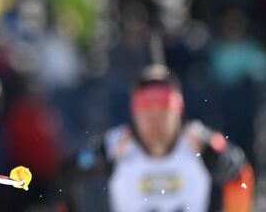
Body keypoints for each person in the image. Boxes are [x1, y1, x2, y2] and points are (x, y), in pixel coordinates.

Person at [70, 64, 255, 212]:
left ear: (177, 114)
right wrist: (103, 161)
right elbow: (68, 173)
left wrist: (217, 155)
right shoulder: (115, 145)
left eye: (163, 114)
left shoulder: (199, 140)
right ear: (135, 116)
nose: (155, 124)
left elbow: (239, 170)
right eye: (147, 115)